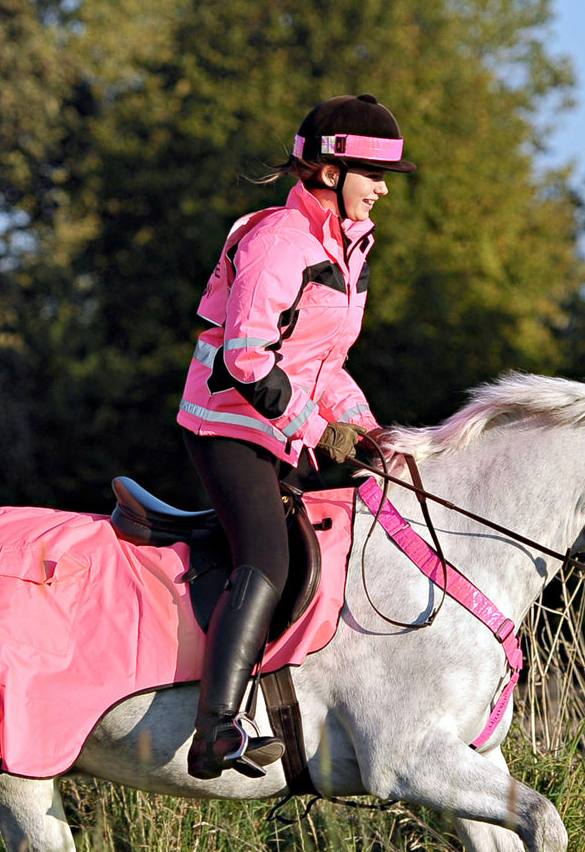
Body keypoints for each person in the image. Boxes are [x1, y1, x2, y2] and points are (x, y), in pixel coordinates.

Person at [177, 93, 416, 779]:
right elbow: (245, 357)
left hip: (278, 429)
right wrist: (317, 429)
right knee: (267, 559)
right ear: (331, 172)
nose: (383, 190)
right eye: (374, 175)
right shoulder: (280, 241)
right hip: (227, 425)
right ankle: (215, 730)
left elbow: (324, 364)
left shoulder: (347, 246)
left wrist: (367, 430)